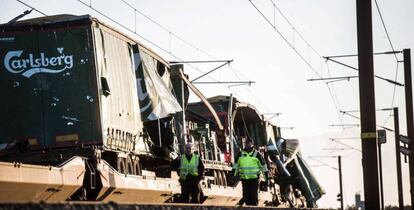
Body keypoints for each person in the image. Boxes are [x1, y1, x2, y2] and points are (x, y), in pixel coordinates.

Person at [232, 137, 269, 206]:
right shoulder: (240, 154)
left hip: (254, 179)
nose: (247, 145)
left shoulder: (257, 155)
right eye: (246, 143)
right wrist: (233, 175)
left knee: (253, 197)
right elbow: (235, 166)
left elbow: (264, 168)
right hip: (244, 179)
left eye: (249, 143)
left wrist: (267, 179)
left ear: (252, 144)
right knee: (246, 197)